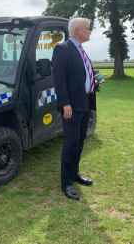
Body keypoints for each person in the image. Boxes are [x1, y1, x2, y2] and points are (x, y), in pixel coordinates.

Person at [52, 17, 101, 200]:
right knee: (71, 143)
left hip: (85, 103)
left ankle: (75, 173)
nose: (90, 32)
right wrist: (65, 104)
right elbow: (59, 79)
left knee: (80, 142)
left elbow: (81, 76)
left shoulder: (82, 51)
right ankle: (67, 182)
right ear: (77, 30)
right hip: (71, 107)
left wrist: (93, 82)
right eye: (87, 29)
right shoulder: (62, 49)